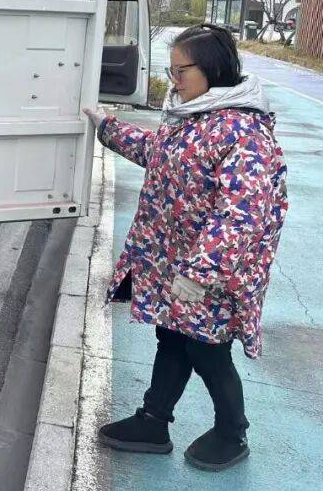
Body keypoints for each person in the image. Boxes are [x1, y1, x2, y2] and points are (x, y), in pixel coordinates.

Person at [83, 23, 288, 472]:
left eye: (181, 72)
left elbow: (242, 214)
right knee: (173, 336)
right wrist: (108, 128)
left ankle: (232, 432)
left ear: (212, 69)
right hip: (179, 264)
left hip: (212, 272)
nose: (174, 81)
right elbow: (159, 153)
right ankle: (154, 421)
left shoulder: (244, 132)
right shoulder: (195, 116)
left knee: (208, 349)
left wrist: (200, 272)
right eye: (170, 71)